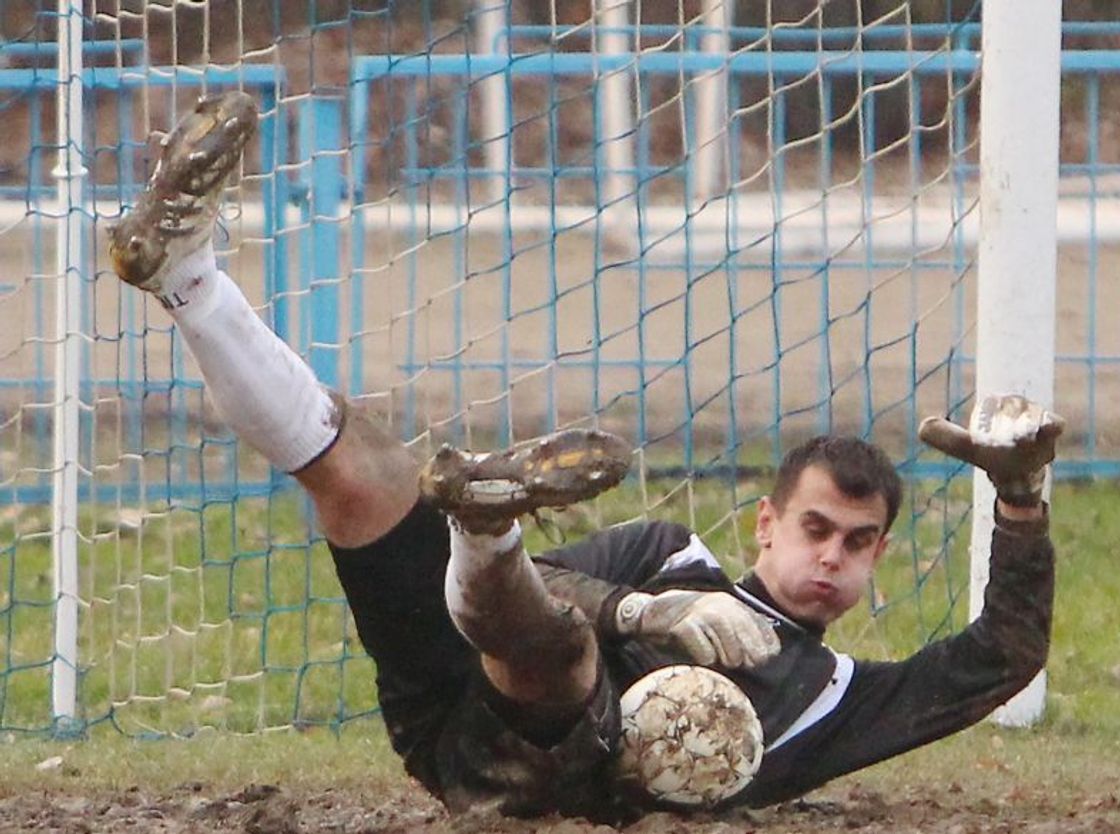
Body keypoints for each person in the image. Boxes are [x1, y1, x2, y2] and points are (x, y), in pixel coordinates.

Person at [108, 91, 1063, 822]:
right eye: (815, 528)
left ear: (876, 558)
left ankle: (488, 529)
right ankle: (186, 270)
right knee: (360, 470)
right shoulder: (671, 555)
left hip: (518, 764)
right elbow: (568, 578)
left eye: (857, 543)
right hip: (454, 672)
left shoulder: (836, 701)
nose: (830, 558)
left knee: (563, 662)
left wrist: (1020, 503)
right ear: (766, 525)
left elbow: (1002, 656)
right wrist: (648, 607)